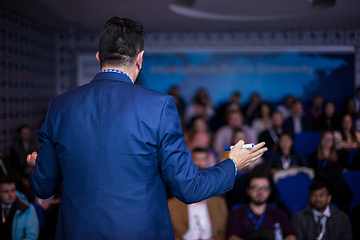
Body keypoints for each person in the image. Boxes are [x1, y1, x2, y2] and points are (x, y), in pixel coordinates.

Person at [26, 17, 267, 239]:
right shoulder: (159, 106)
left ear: (99, 57)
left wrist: (38, 165)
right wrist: (233, 163)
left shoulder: (58, 106)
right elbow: (188, 188)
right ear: (140, 58)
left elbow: (43, 186)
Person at [168, 148, 228, 240]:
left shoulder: (219, 203)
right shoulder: (172, 205)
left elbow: (223, 232)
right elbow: (168, 233)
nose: (200, 163)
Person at [226, 173, 297, 240]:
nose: (260, 192)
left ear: (269, 191)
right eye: (255, 188)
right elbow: (232, 238)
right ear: (248, 191)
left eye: (264, 188)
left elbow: (291, 236)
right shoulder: (236, 213)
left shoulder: (279, 213)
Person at [0, 175, 39, 240]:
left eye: (13, 190)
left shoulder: (27, 209)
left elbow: (32, 237)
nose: (10, 194)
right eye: (6, 191)